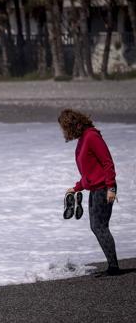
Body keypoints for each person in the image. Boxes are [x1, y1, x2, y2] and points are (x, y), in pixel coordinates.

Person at [58, 109, 120, 276]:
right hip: (96, 188)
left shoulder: (91, 136)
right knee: (97, 227)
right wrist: (77, 187)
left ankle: (114, 267)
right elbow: (89, 170)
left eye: (64, 128)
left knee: (99, 226)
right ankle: (113, 266)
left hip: (104, 188)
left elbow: (107, 162)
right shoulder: (83, 139)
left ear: (71, 125)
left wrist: (111, 188)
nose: (64, 132)